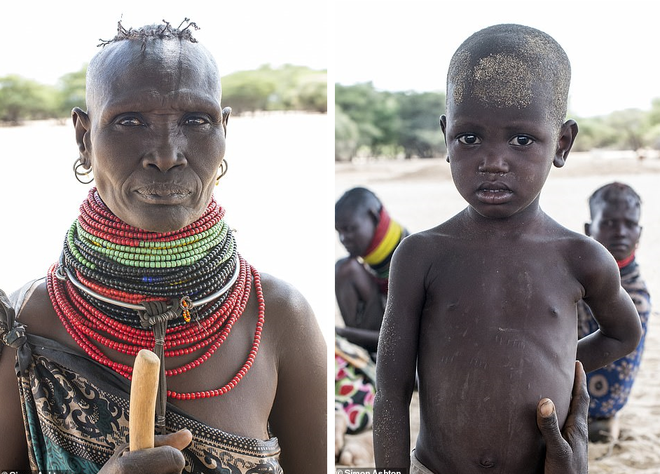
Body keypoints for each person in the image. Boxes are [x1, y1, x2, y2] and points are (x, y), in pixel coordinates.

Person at [0, 20, 326, 474]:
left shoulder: (279, 317)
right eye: (130, 121)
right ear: (83, 138)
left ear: (224, 130)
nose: (168, 154)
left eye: (196, 120)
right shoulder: (25, 323)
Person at [373, 23, 642, 474]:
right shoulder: (421, 255)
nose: (493, 161)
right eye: (470, 137)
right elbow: (391, 390)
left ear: (562, 143)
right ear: (446, 137)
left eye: (521, 139)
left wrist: (557, 363)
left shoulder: (580, 257)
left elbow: (623, 334)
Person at [578, 182, 651, 442]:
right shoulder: (574, 273)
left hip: (600, 404)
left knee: (598, 435)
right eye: (608, 223)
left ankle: (601, 415)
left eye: (629, 224)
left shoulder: (636, 296)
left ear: (639, 232)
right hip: (558, 389)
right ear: (589, 229)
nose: (620, 232)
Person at [335, 187, 408, 355]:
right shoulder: (372, 264)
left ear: (373, 217)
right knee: (345, 268)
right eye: (339, 231)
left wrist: (343, 334)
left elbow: (406, 339)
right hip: (380, 339)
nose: (343, 239)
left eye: (350, 229)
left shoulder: (409, 255)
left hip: (410, 353)